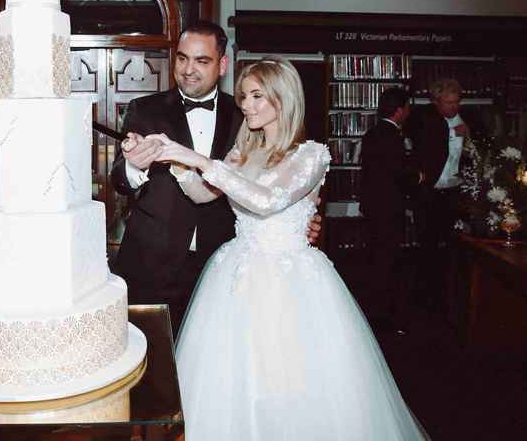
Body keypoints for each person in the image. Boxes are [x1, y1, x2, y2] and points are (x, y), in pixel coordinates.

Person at [148, 59, 428, 439]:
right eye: (244, 95)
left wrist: (196, 159)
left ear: (282, 99)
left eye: (256, 96)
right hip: (237, 276)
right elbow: (201, 194)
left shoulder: (311, 155)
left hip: (290, 282)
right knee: (234, 380)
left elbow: (266, 200)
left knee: (289, 380)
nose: (245, 104)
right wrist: (173, 161)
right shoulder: (241, 152)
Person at [110, 20, 320, 332]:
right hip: (152, 264)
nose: (188, 69)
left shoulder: (247, 118)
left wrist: (302, 217)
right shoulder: (144, 109)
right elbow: (120, 179)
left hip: (223, 266)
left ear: (222, 65)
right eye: (182, 58)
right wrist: (137, 166)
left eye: (201, 60)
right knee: (149, 362)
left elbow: (278, 181)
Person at [360, 87, 421, 334]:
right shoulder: (393, 136)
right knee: (388, 260)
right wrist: (417, 176)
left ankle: (374, 309)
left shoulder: (372, 133)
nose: (408, 112)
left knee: (376, 257)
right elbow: (397, 173)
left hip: (374, 206)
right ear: (399, 110)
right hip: (389, 207)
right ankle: (383, 316)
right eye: (407, 107)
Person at [409, 78, 468, 317]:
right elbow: (426, 139)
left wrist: (468, 135)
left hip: (454, 191)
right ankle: (424, 296)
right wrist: (454, 132)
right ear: (435, 101)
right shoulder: (424, 117)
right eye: (448, 102)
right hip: (430, 192)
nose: (453, 107)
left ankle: (447, 294)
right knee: (427, 245)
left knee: (451, 245)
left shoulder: (466, 119)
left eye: (456, 102)